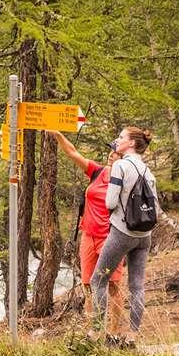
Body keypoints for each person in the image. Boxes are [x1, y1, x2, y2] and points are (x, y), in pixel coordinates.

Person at [46, 130, 125, 334]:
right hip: (88, 237)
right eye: (111, 150)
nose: (111, 154)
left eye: (116, 152)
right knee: (88, 286)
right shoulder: (96, 172)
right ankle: (92, 332)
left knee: (113, 286)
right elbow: (73, 153)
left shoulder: (126, 181)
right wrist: (57, 135)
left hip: (111, 239)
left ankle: (114, 334)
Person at [92, 126, 157, 346]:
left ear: (130, 143)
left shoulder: (120, 166)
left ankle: (96, 333)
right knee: (137, 286)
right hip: (144, 234)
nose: (117, 141)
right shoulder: (147, 171)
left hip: (122, 231)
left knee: (98, 280)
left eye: (121, 137)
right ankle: (133, 335)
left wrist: (114, 213)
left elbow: (110, 202)